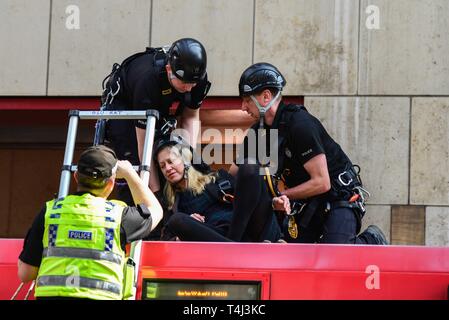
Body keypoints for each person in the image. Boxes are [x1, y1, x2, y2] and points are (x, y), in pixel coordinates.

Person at [228, 62, 388, 245]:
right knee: (293, 257)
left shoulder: (300, 124)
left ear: (265, 96)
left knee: (335, 260)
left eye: (247, 100)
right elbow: (234, 175)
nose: (243, 107)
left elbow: (322, 182)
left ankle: (371, 240)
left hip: (338, 199)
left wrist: (281, 195)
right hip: (307, 204)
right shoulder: (257, 133)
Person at [17, 145, 163, 300]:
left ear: (75, 176)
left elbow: (25, 274)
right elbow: (155, 210)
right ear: (110, 184)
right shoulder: (118, 216)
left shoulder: (50, 212)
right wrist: (129, 174)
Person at [100, 37, 211, 201]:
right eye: (184, 83)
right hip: (126, 105)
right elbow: (143, 143)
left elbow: (190, 116)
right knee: (134, 163)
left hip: (158, 103)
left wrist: (188, 162)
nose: (188, 88)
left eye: (192, 84)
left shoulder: (197, 78)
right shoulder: (148, 80)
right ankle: (137, 210)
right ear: (168, 70)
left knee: (170, 157)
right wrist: (155, 195)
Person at [155, 135, 290, 242]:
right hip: (216, 236)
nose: (167, 168)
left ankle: (233, 244)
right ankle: (232, 246)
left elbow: (248, 198)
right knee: (177, 220)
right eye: (162, 166)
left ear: (186, 159)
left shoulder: (218, 178)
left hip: (248, 227)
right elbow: (165, 236)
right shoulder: (170, 202)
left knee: (250, 166)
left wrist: (273, 202)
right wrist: (187, 223)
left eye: (171, 161)